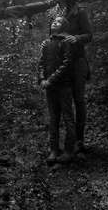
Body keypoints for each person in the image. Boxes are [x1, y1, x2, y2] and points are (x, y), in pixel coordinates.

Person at [50, 0, 93, 153]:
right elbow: (51, 36)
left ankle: (79, 141)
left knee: (79, 100)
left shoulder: (79, 11)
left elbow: (89, 34)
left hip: (78, 62)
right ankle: (63, 143)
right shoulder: (53, 13)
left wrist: (77, 38)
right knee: (62, 103)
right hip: (60, 64)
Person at [38, 16, 77, 164]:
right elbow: (41, 62)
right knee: (53, 119)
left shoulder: (67, 42)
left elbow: (67, 64)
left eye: (59, 21)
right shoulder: (47, 42)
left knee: (68, 117)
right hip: (50, 87)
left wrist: (50, 80)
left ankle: (69, 150)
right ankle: (53, 150)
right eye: (54, 21)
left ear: (64, 26)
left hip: (64, 86)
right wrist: (42, 79)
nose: (55, 22)